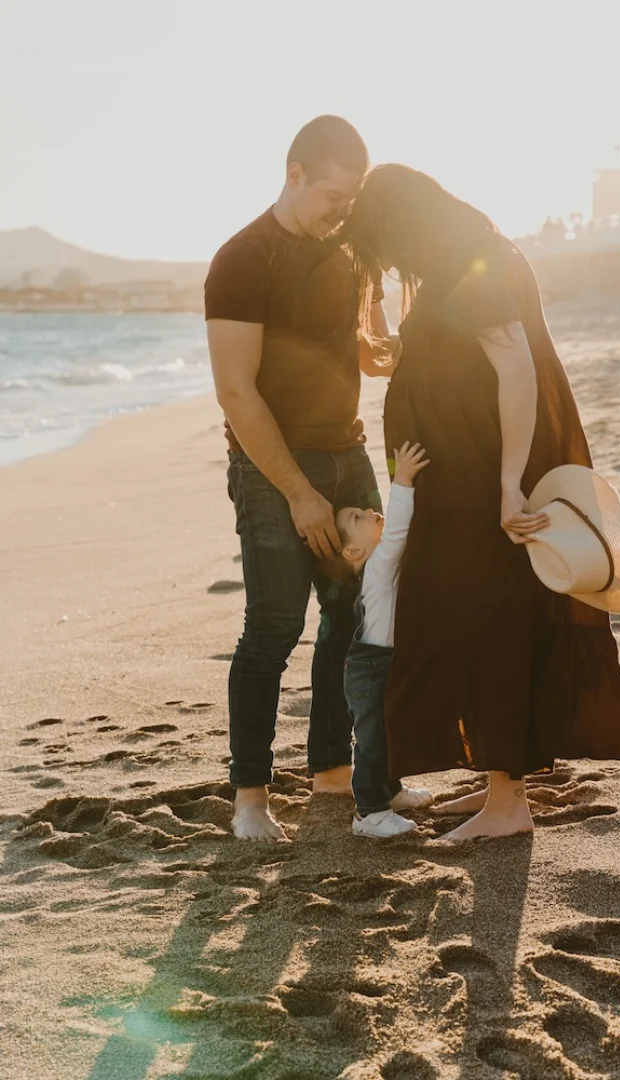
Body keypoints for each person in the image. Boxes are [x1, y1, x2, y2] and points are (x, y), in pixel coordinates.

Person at [343, 164, 620, 841]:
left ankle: (507, 804)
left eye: (385, 246)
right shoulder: (454, 261)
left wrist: (507, 483)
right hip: (456, 482)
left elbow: (518, 368)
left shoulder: (477, 261)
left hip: (482, 482)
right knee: (462, 622)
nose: (389, 263)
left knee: (489, 626)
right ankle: (497, 787)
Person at [205, 117, 396, 842]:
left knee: (355, 619)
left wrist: (378, 350)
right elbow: (237, 392)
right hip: (272, 469)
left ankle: (331, 775)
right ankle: (250, 800)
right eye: (334, 196)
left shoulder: (345, 249)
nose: (343, 212)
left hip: (349, 453)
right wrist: (298, 493)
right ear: (295, 175)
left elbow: (347, 343)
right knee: (274, 628)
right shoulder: (243, 259)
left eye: (353, 201)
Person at [321, 442, 433, 837]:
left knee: (391, 732)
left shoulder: (377, 568)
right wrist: (402, 480)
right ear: (353, 549)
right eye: (357, 516)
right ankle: (369, 813)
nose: (370, 511)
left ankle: (391, 791)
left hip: (383, 664)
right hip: (372, 670)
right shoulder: (377, 566)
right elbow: (398, 531)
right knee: (373, 742)